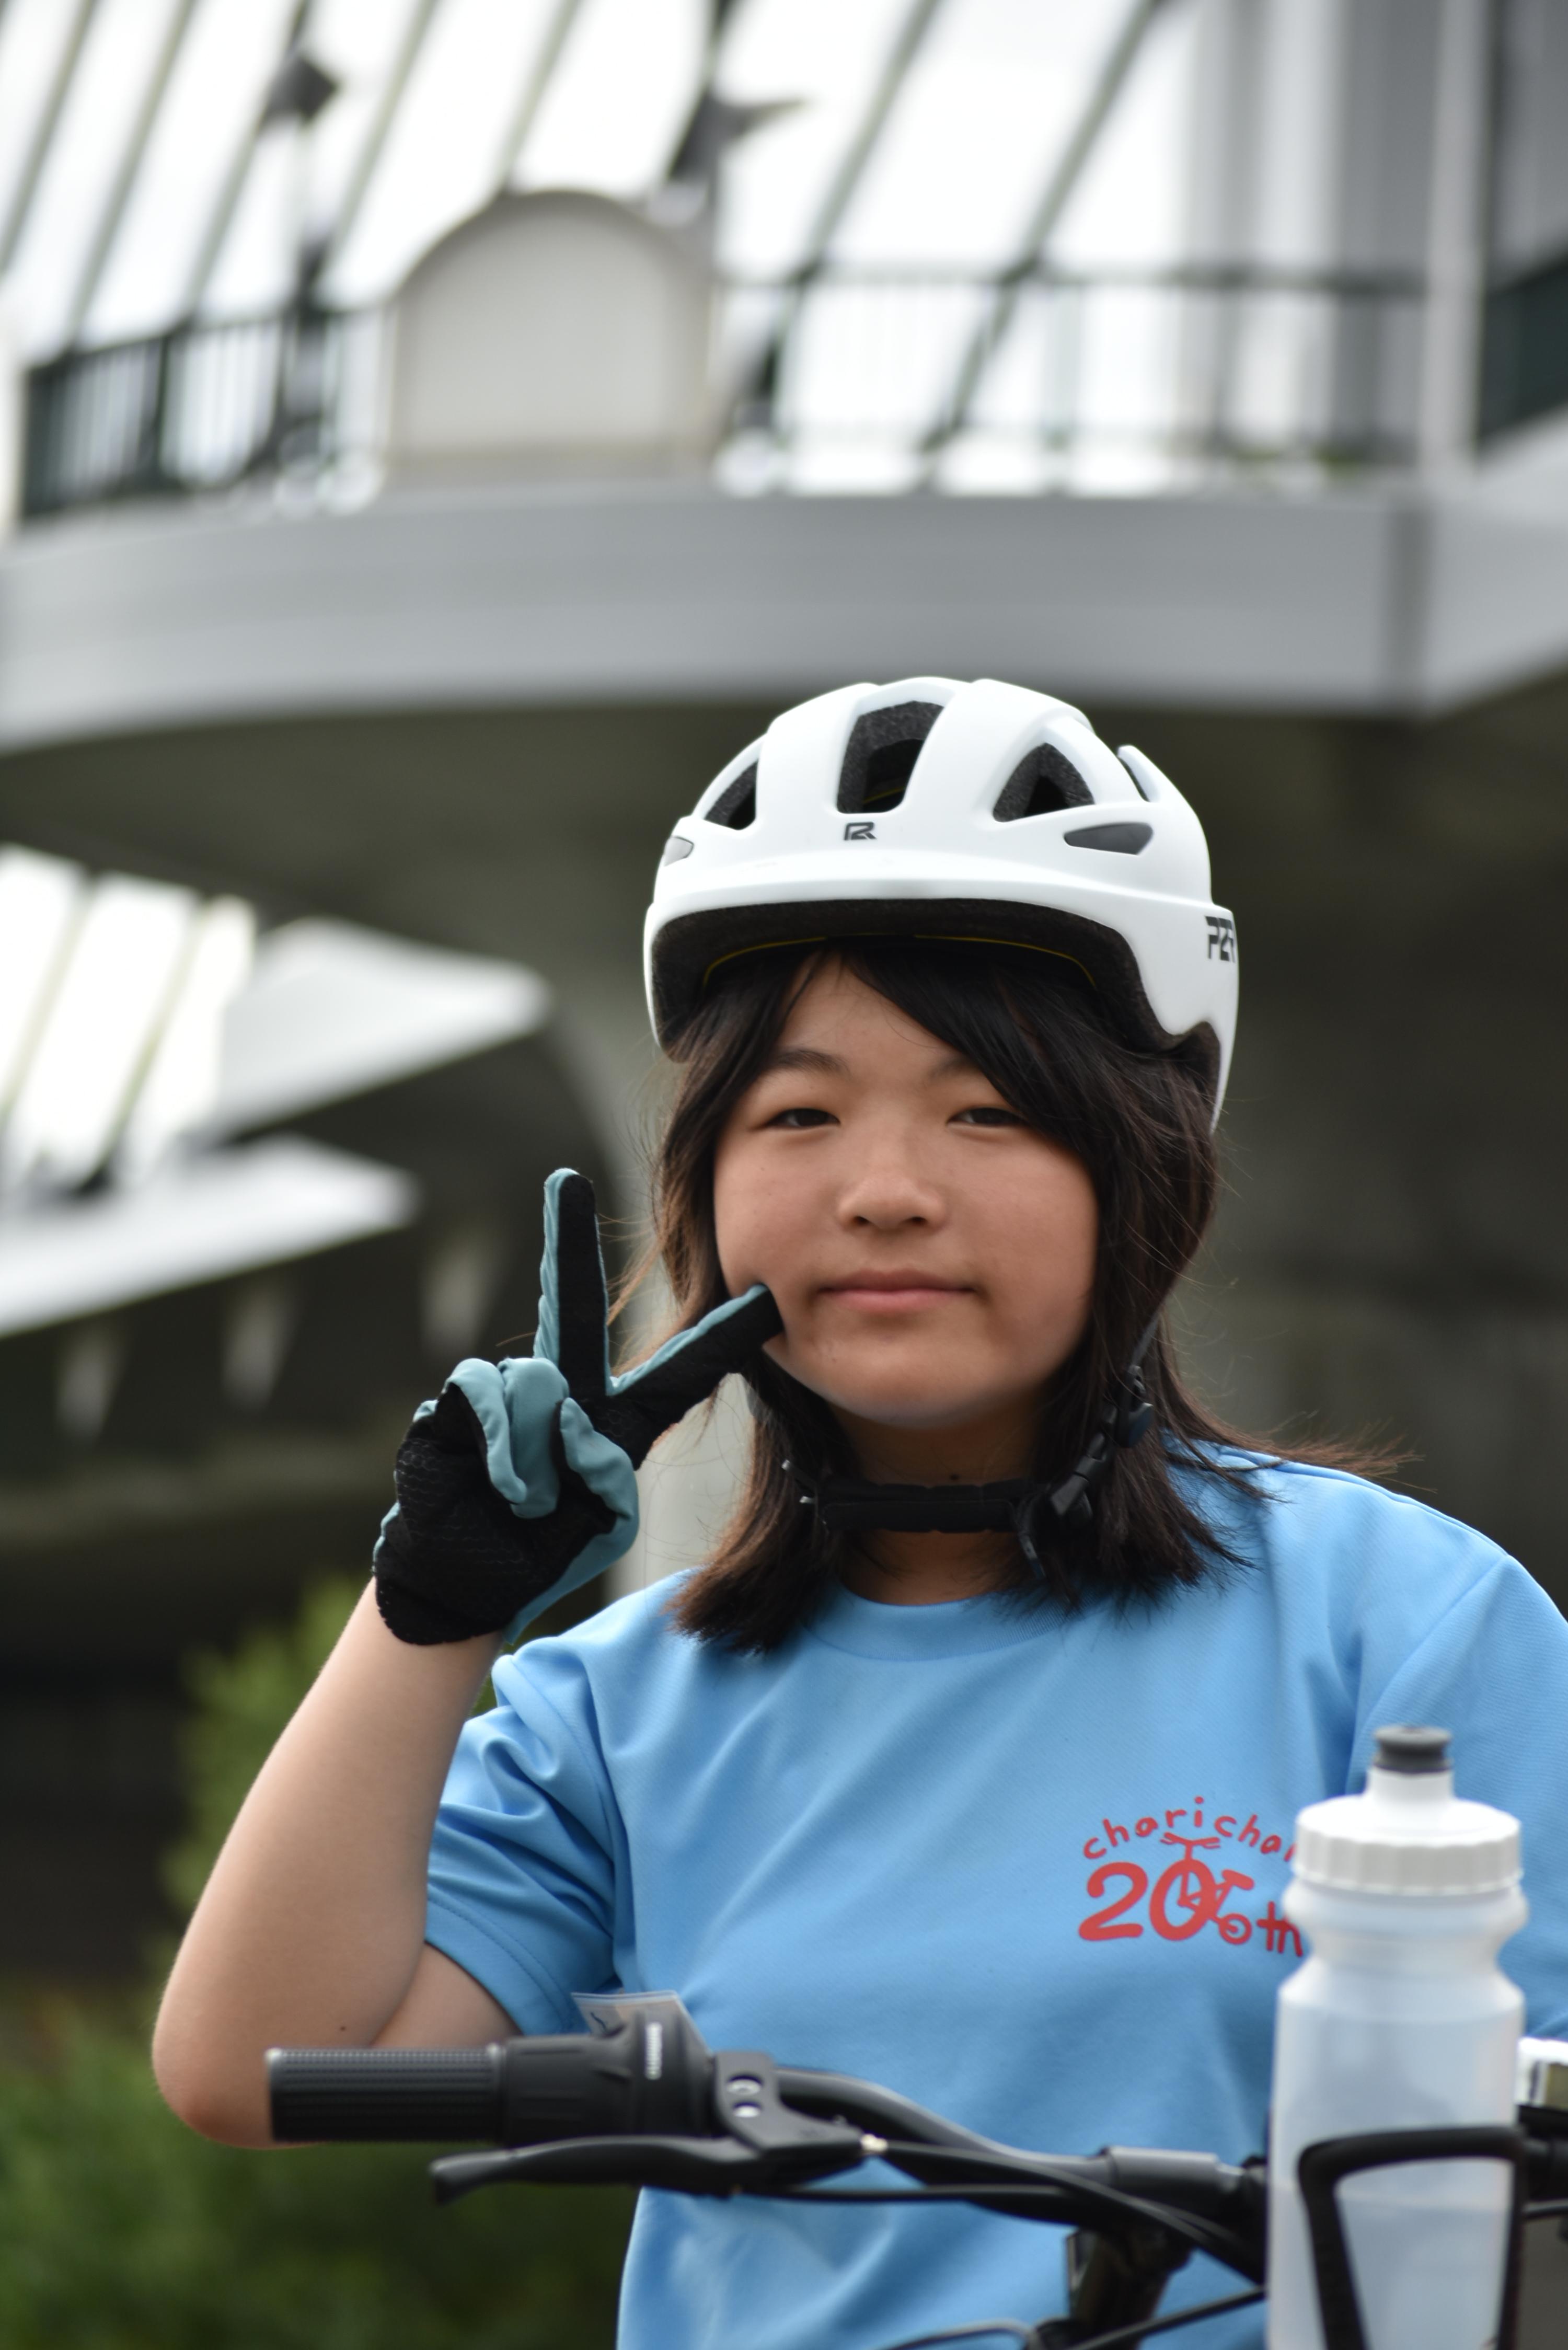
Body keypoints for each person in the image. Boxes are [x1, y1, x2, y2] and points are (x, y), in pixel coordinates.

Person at [153, 677, 1568, 2350]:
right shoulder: (618, 1709)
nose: (886, 1190)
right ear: (705, 1187)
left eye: (988, 1111)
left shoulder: (1404, 1626)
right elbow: (252, 2068)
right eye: (800, 1114)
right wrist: (430, 1615)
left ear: (1144, 1170)